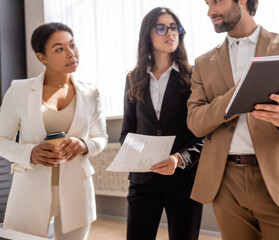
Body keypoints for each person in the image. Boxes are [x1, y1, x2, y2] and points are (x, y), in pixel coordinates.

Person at [187, 0, 279, 239]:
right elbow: (196, 123)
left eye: (216, 2)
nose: (209, 11)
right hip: (225, 184)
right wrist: (234, 96)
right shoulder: (202, 63)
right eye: (207, 4)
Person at [0, 22, 108, 239]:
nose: (71, 53)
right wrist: (30, 152)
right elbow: (1, 139)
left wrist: (84, 144)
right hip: (30, 188)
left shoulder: (90, 93)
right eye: (59, 49)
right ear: (42, 57)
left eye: (72, 45)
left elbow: (100, 137)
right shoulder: (19, 90)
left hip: (77, 188)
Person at [120, 7, 203, 240]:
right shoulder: (133, 78)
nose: (170, 33)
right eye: (161, 27)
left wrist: (179, 159)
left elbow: (204, 134)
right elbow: (127, 132)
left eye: (174, 27)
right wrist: (140, 153)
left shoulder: (194, 76)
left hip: (184, 179)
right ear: (148, 34)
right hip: (143, 180)